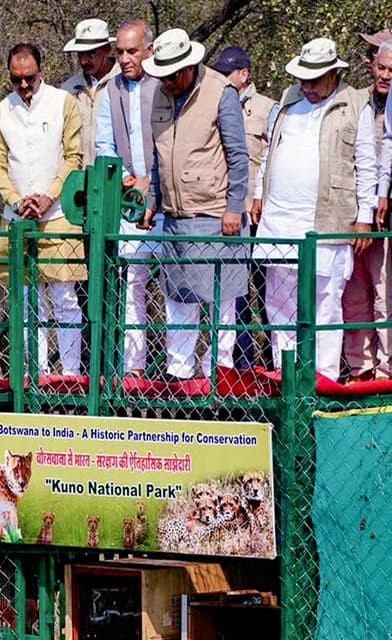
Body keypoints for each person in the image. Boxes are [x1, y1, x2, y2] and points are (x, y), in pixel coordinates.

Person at [251, 38, 375, 381]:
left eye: (314, 80)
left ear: (333, 74)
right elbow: (271, 150)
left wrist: (364, 216)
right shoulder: (289, 99)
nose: (307, 87)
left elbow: (366, 164)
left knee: (325, 301)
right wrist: (260, 191)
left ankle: (323, 379)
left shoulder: (355, 104)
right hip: (279, 219)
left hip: (327, 220)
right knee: (278, 300)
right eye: (303, 79)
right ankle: (285, 374)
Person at [141, 28, 250, 381]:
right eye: (161, 75)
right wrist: (153, 200)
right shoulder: (160, 95)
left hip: (216, 213)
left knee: (223, 299)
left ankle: (219, 368)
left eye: (172, 75)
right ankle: (180, 370)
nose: (166, 82)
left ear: (189, 67)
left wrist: (234, 205)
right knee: (178, 297)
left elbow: (238, 155)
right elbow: (159, 158)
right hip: (175, 216)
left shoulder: (222, 93)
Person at [0, 42, 87, 377]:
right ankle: (38, 373)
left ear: (40, 71)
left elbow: (74, 156)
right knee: (29, 299)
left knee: (65, 298)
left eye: (29, 77)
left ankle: (70, 374)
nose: (24, 85)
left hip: (58, 213)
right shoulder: (2, 110)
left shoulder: (63, 103)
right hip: (17, 217)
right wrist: (17, 200)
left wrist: (48, 196)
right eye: (17, 79)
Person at [95, 20, 166, 378]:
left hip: (167, 202)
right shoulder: (110, 91)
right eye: (120, 52)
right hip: (131, 204)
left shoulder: (165, 84)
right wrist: (128, 181)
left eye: (131, 51)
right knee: (132, 284)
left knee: (175, 285)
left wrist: (151, 183)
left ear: (148, 51)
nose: (124, 58)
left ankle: (177, 370)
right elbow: (104, 146)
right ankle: (134, 367)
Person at [211, 46, 279, 369]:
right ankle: (240, 367)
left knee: (269, 294)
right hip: (229, 215)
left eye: (228, 73)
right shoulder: (211, 101)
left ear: (244, 74)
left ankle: (273, 363)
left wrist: (262, 196)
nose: (222, 79)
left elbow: (273, 158)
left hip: (260, 216)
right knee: (233, 293)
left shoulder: (268, 109)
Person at [351, 36, 392, 381]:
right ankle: (358, 367)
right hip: (355, 215)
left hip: (383, 218)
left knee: (383, 294)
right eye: (381, 66)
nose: (386, 75)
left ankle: (385, 369)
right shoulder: (356, 102)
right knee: (353, 294)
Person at [61, 18, 118, 166]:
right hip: (79, 180)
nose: (84, 61)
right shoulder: (68, 89)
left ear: (107, 50)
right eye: (80, 55)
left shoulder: (122, 83)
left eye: (91, 54)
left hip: (116, 178)